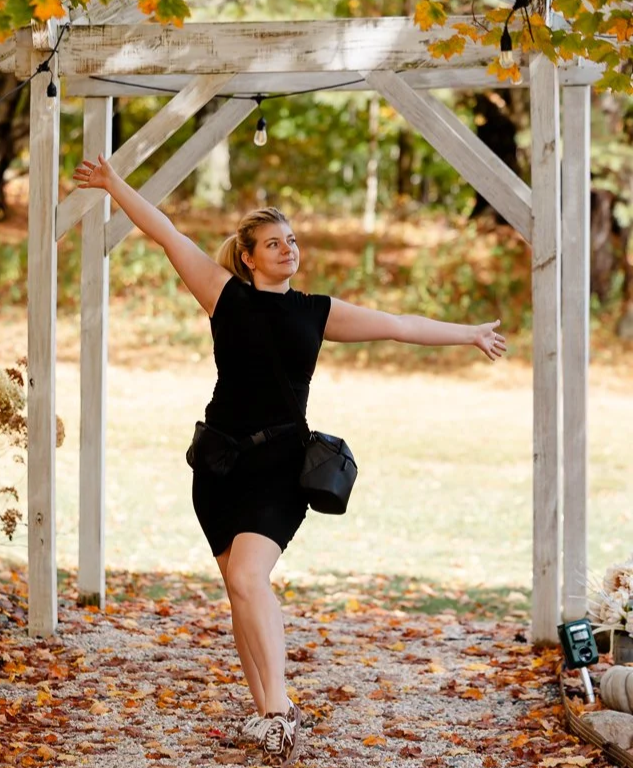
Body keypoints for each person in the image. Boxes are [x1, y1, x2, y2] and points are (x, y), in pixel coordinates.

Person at [73, 154, 507, 767]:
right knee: (240, 589)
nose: (288, 249)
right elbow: (164, 231)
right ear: (247, 256)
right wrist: (114, 184)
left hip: (280, 466)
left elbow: (399, 325)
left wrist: (467, 333)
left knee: (250, 578)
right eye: (273, 243)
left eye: (293, 240)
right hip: (218, 466)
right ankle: (266, 711)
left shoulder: (316, 311)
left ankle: (278, 714)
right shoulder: (221, 295)